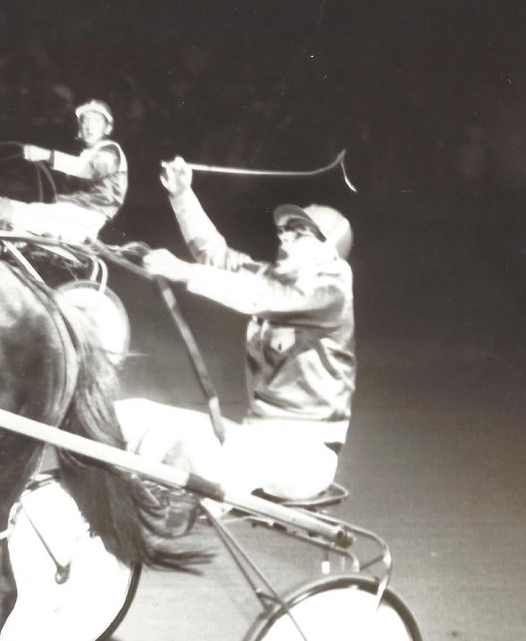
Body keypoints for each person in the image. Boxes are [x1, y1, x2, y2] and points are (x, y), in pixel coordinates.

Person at [116, 156, 355, 508]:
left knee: (189, 454)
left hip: (305, 458)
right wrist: (183, 194)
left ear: (327, 251)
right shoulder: (274, 275)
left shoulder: (332, 289)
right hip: (257, 440)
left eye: (298, 233)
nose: (284, 238)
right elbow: (214, 255)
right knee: (128, 414)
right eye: (284, 231)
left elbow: (257, 296)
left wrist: (183, 272)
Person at [0, 99, 128, 245]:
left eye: (96, 121)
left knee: (10, 210)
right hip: (76, 211)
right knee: (7, 206)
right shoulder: (87, 153)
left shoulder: (112, 151)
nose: (89, 126)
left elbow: (89, 169)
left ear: (107, 128)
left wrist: (46, 155)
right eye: (85, 121)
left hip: (88, 216)